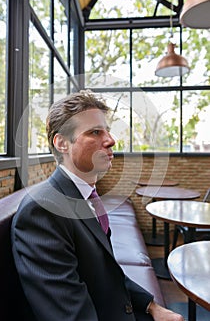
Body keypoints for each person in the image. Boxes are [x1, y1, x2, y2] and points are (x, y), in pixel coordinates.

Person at [11, 90, 184, 321]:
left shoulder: (85, 196)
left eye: (107, 131)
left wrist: (152, 306)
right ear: (62, 142)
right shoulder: (43, 211)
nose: (111, 140)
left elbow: (106, 271)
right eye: (95, 132)